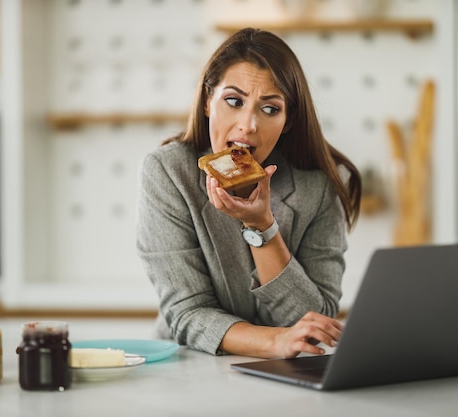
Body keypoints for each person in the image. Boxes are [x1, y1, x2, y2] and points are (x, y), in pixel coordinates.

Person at [136, 28, 362, 359]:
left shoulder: (320, 185)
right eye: (233, 101)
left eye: (269, 109)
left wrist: (263, 229)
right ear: (207, 102)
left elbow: (314, 321)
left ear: (287, 121)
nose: (248, 124)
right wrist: (274, 342)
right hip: (189, 367)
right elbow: (187, 313)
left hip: (290, 375)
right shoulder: (168, 172)